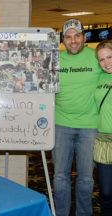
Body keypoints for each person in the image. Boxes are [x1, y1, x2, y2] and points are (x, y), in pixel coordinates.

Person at [53, 19, 102, 216]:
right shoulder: (55, 60)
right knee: (59, 176)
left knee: (86, 178)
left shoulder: (97, 56)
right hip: (60, 125)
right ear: (63, 40)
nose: (73, 40)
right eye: (68, 36)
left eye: (77, 36)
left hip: (90, 126)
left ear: (83, 37)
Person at [93, 40, 112, 216]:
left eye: (109, 57)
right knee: (106, 193)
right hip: (103, 141)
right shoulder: (99, 76)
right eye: (102, 59)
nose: (106, 62)